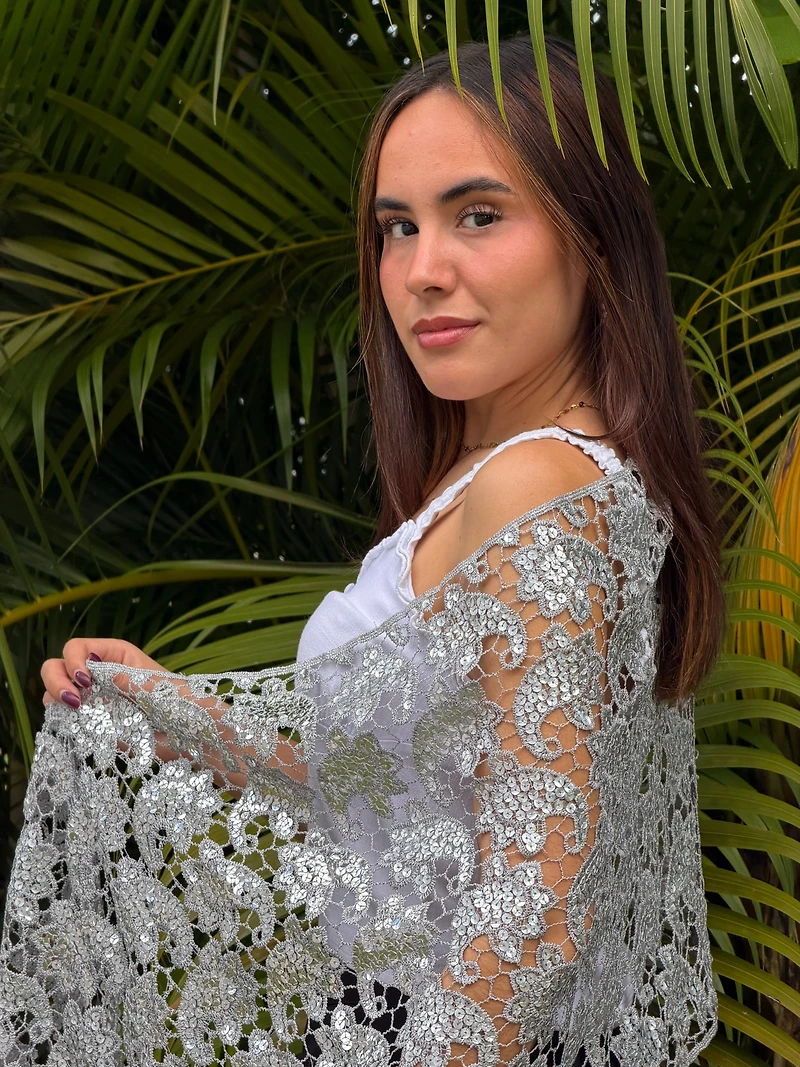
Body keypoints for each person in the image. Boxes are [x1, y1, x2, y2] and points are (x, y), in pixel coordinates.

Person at [15, 31, 724, 1067]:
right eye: (398, 227)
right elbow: (410, 795)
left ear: (594, 236)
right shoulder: (524, 472)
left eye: (478, 215)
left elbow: (533, 906)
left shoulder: (537, 488)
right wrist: (183, 716)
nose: (422, 271)